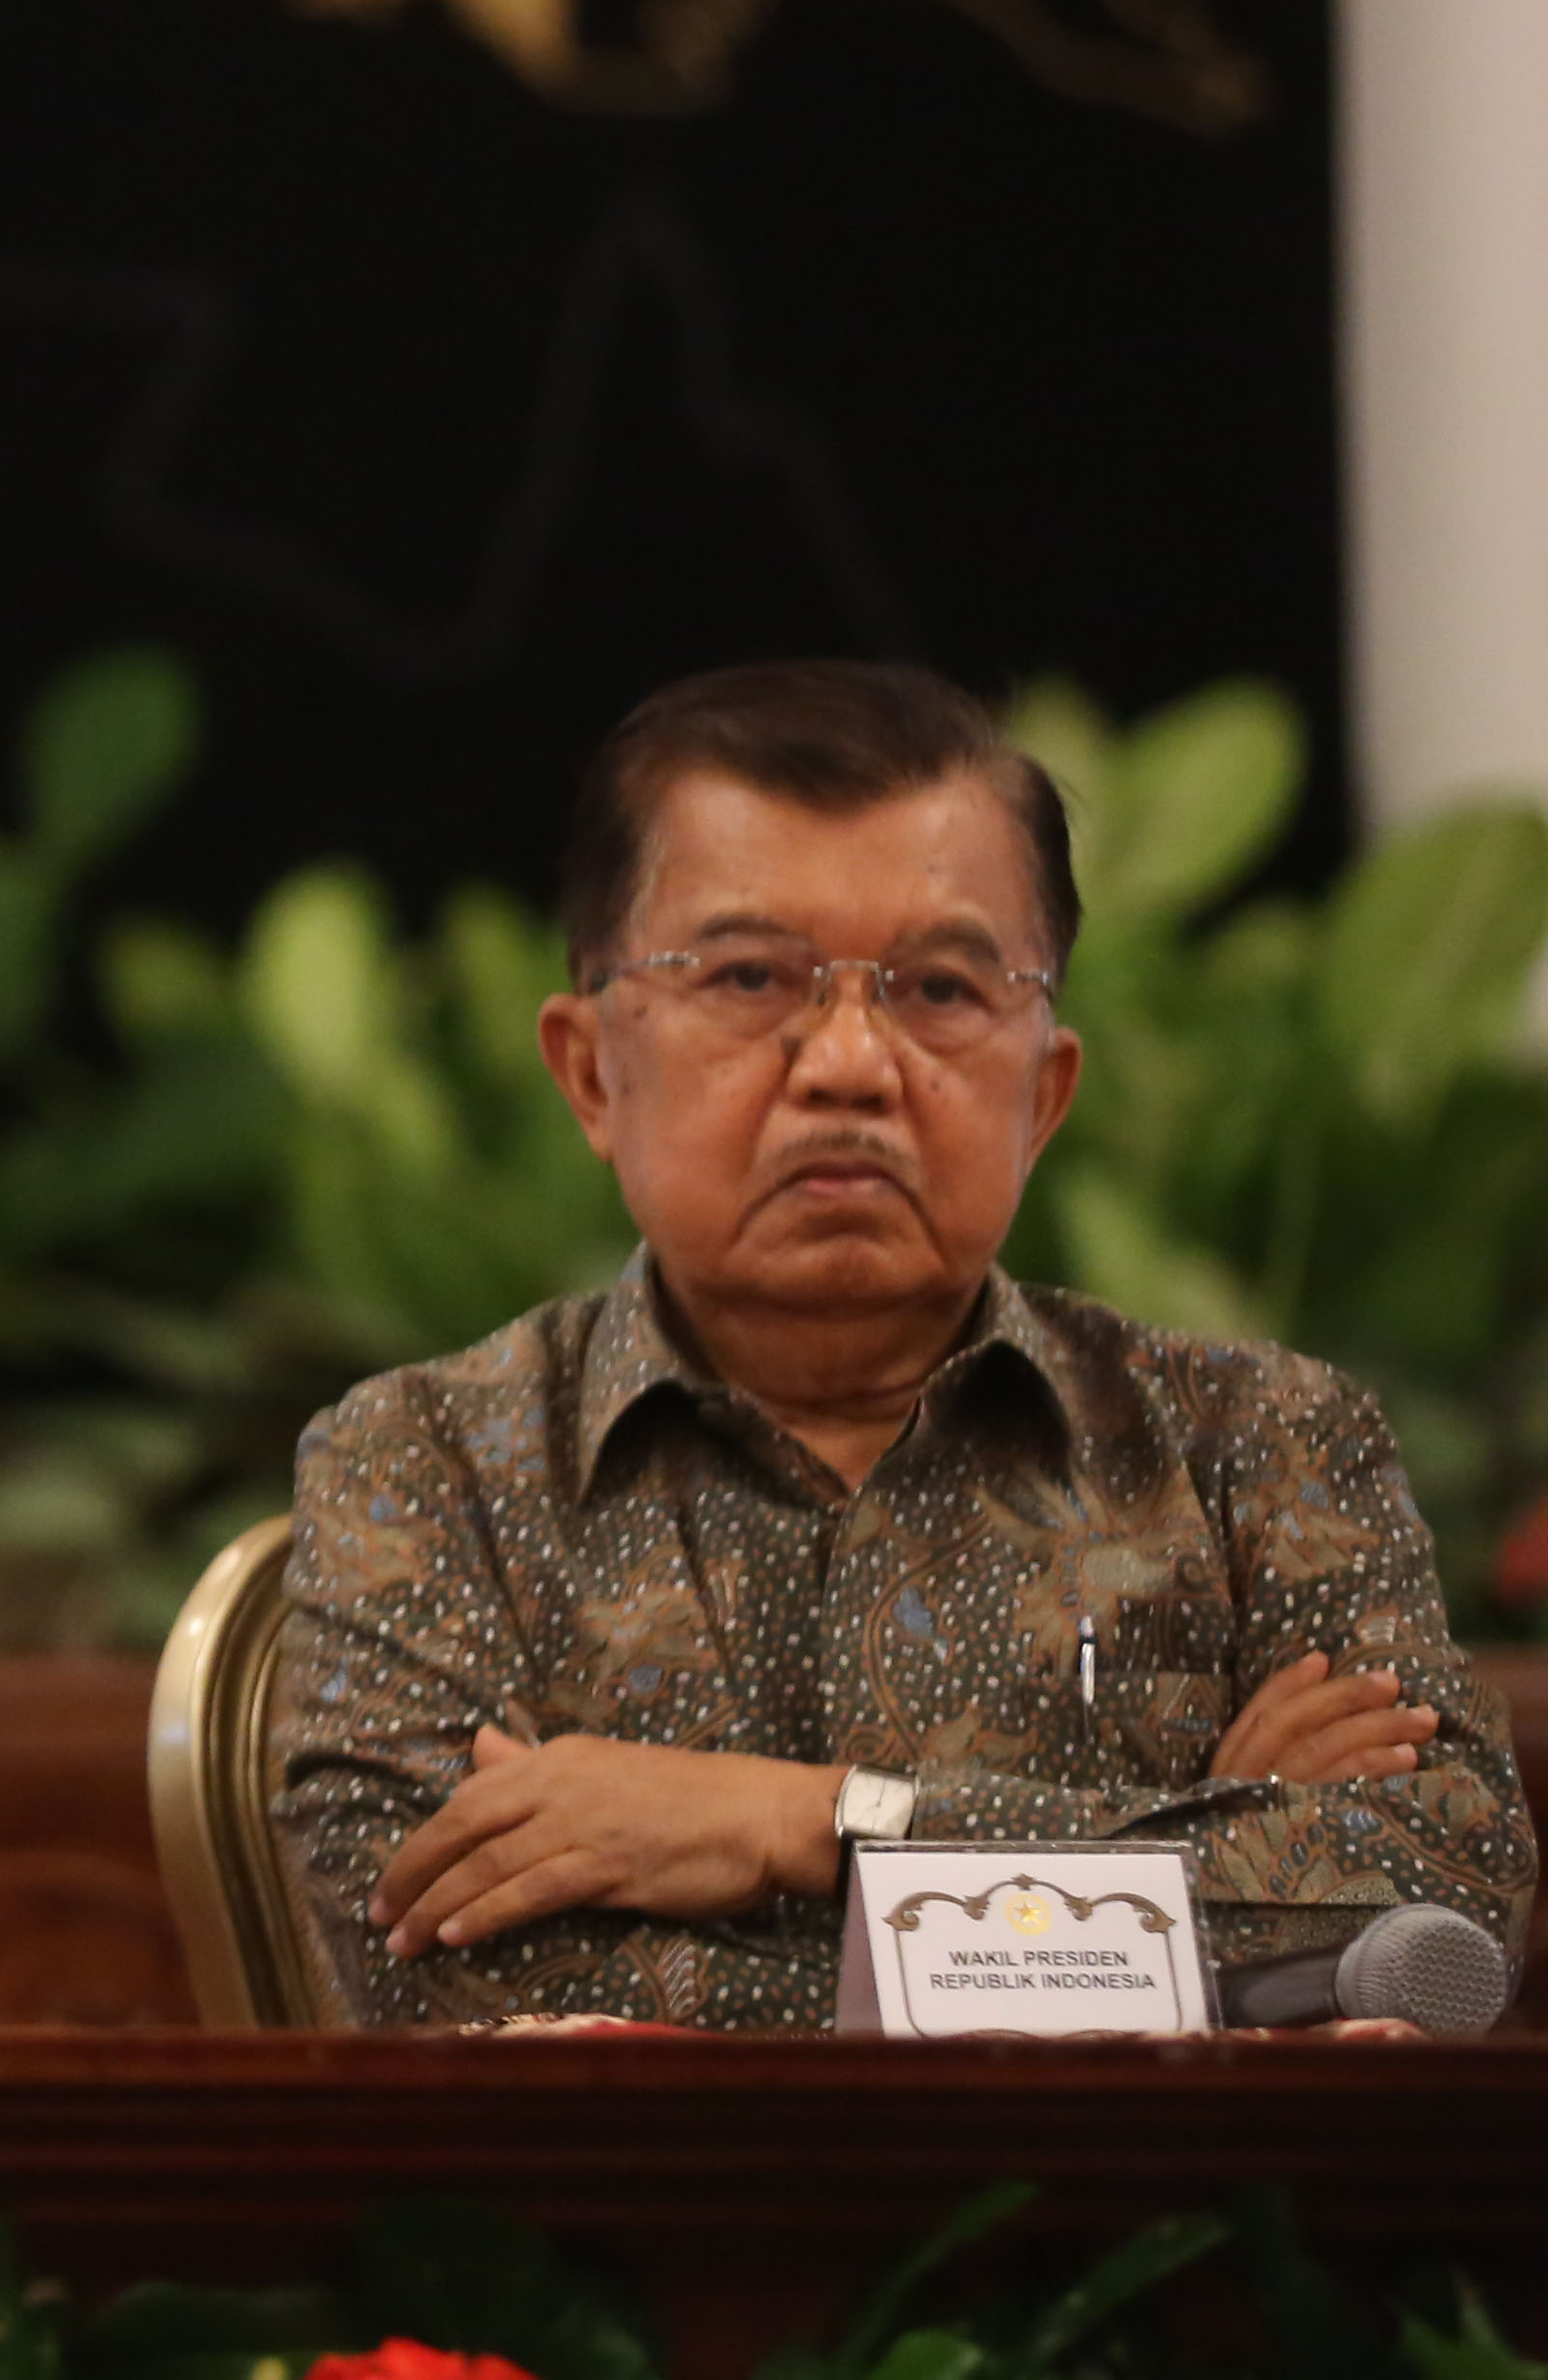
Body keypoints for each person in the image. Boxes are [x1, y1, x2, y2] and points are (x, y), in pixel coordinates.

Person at [270, 661, 1535, 2028]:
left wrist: (803, 1824)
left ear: (1043, 1094)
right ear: (592, 1071)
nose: (852, 1062)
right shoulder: (430, 1464)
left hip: (1188, 2243)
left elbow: (1438, 1914)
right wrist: (1195, 1918)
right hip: (645, 2243)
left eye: (939, 988)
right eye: (752, 976)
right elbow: (433, 1966)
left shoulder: (1260, 1445)